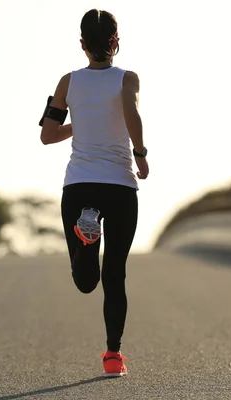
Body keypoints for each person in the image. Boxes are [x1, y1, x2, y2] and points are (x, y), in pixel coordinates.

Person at [38, 9, 149, 377]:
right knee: (115, 273)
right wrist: (140, 154)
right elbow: (130, 110)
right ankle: (113, 356)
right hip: (119, 185)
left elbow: (47, 135)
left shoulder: (68, 82)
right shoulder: (127, 79)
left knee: (87, 282)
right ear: (116, 42)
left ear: (82, 45)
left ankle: (87, 242)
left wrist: (79, 123)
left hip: (80, 185)